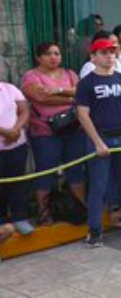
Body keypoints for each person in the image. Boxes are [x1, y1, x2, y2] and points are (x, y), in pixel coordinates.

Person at [75, 38, 121, 247]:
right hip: (100, 137)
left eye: (112, 52)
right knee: (98, 185)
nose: (110, 56)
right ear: (93, 57)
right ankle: (95, 230)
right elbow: (83, 115)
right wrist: (98, 142)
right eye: (104, 52)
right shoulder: (86, 83)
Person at [21, 42, 86, 225]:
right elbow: (39, 97)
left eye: (57, 53)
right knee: (45, 171)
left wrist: (57, 92)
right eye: (48, 54)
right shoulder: (31, 76)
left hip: (74, 129)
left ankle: (80, 208)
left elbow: (82, 93)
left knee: (76, 170)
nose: (54, 57)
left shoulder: (70, 74)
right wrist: (70, 96)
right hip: (44, 132)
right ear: (38, 57)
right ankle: (44, 214)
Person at [0, 67, 32, 236]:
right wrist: (6, 132)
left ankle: (20, 218)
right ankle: (3, 221)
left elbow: (24, 110)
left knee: (18, 181)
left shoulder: (10, 89)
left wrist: (16, 129)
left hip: (17, 145)